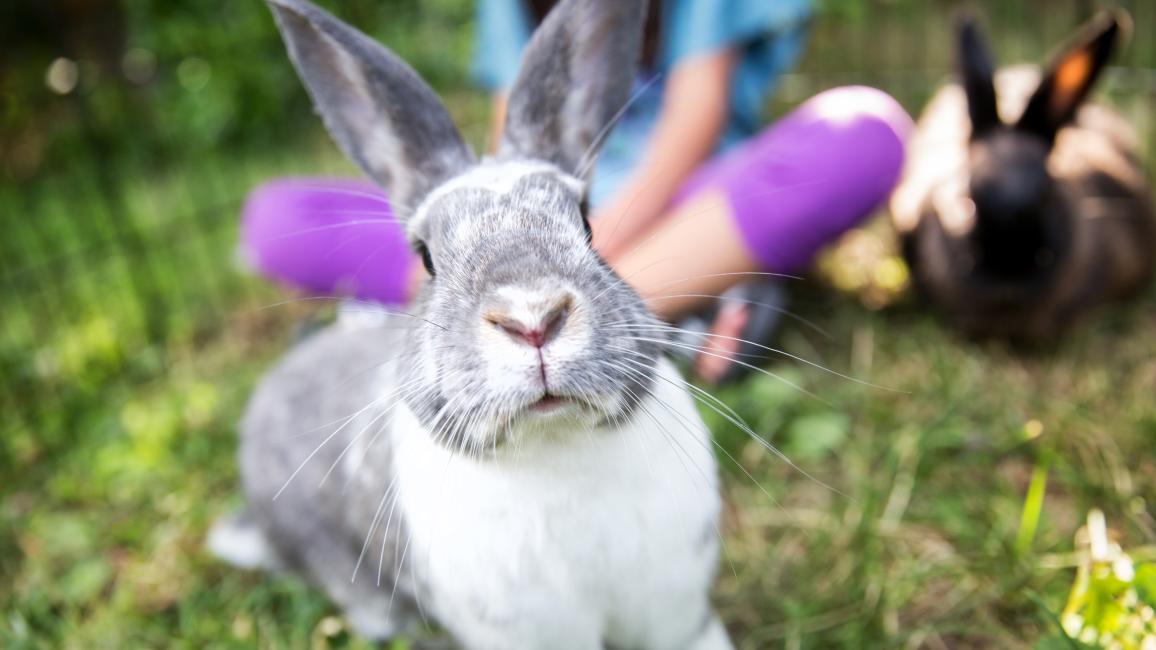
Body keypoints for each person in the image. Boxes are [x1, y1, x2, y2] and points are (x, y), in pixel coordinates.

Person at [240, 0, 912, 383]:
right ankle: (675, 307)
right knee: (276, 217)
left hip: (679, 199)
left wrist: (590, 247)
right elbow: (514, 140)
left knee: (865, 129)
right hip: (533, 244)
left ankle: (544, 326)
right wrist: (478, 257)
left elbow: (694, 118)